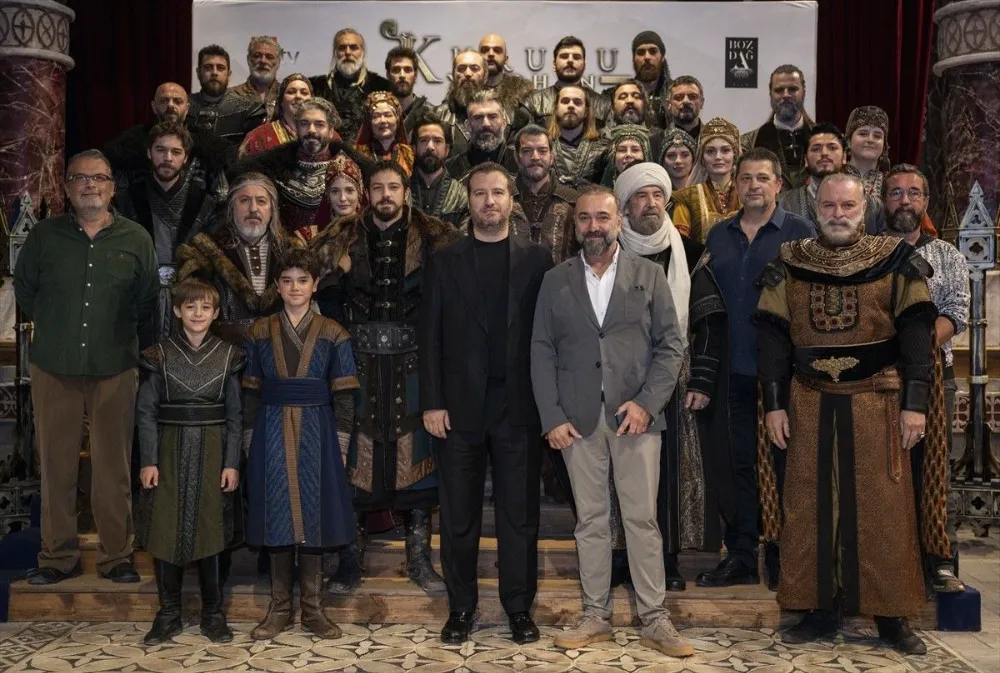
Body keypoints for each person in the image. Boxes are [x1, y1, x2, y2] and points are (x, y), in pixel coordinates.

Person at [755, 172, 950, 655]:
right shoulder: (788, 262)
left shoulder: (897, 260)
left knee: (884, 509)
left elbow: (917, 335)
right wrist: (774, 404)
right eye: (828, 206)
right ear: (814, 208)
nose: (837, 214)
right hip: (807, 400)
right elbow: (773, 337)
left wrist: (915, 406)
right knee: (810, 508)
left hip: (877, 400)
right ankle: (818, 611)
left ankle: (892, 618)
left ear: (865, 208)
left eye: (847, 206)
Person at [531, 184, 691, 657]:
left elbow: (671, 346)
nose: (594, 226)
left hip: (635, 419)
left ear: (618, 220)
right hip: (577, 422)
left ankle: (655, 618)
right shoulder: (555, 280)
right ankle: (595, 615)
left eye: (602, 217)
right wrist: (551, 416)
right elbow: (541, 350)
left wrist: (647, 404)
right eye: (584, 218)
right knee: (591, 521)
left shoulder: (649, 274)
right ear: (575, 224)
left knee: (642, 519)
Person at [309, 161, 462, 596]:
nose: (385, 195)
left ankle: (419, 560)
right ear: (367, 194)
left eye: (393, 187)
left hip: (415, 361)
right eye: (377, 188)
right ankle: (349, 561)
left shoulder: (435, 237)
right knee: (357, 456)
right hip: (357, 362)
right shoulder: (341, 238)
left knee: (417, 460)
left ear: (405, 191)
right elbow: (324, 300)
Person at [421, 162, 553, 645]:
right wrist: (432, 402)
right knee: (458, 516)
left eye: (498, 192)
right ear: (469, 201)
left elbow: (551, 335)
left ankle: (518, 608)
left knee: (520, 516)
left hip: (520, 407)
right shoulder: (444, 260)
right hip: (458, 410)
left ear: (511, 200)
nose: (489, 201)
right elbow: (429, 336)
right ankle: (461, 608)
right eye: (480, 193)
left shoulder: (538, 259)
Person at [15, 150, 158, 585]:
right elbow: (25, 291)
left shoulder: (136, 239)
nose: (89, 185)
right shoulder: (45, 237)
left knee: (113, 467)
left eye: (98, 178)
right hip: (54, 366)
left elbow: (146, 301)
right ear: (67, 188)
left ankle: (117, 557)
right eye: (79, 178)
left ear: (112, 187)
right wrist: (57, 328)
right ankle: (58, 557)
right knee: (55, 466)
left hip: (114, 366)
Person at [608, 163, 731, 592]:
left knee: (669, 470)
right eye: (640, 197)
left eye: (657, 195)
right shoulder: (607, 250)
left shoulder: (691, 253)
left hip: (674, 377)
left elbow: (710, 319)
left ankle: (666, 559)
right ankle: (620, 556)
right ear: (625, 207)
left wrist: (702, 380)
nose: (650, 204)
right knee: (616, 468)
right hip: (617, 375)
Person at [699, 147, 813, 590]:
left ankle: (786, 554)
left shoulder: (800, 233)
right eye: (745, 178)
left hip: (784, 374)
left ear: (778, 185)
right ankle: (742, 554)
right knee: (738, 466)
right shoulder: (718, 235)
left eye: (762, 178)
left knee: (787, 466)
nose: (753, 186)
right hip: (731, 371)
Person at [243, 248, 358, 640]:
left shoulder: (334, 332)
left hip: (319, 429)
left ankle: (313, 609)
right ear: (277, 286)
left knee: (314, 513)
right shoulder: (260, 331)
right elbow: (251, 393)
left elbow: (345, 396)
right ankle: (279, 608)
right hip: (271, 427)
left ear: (314, 285)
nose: (295, 288)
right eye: (287, 281)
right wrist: (249, 442)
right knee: (277, 511)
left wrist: (341, 445)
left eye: (303, 280)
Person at [136, 279, 244, 645]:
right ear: (177, 310)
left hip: (213, 447)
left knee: (211, 528)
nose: (198, 314)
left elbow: (235, 415)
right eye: (190, 307)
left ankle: (213, 613)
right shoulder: (159, 355)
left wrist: (232, 463)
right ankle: (169, 613)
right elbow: (146, 413)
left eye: (205, 308)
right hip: (169, 448)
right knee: (166, 527)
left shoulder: (229, 356)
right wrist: (148, 460)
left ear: (216, 314)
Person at [883, 164, 969, 594]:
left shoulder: (948, 256)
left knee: (934, 469)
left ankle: (938, 560)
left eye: (913, 193)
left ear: (926, 202)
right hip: (880, 377)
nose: (905, 200)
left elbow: (956, 313)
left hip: (935, 375)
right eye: (896, 193)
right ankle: (886, 558)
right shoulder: (870, 252)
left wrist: (914, 348)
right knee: (884, 469)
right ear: (883, 201)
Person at [114, 122, 220, 345]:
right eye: (160, 150)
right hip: (138, 299)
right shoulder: (126, 200)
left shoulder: (205, 203)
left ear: (186, 158)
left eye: (176, 152)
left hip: (190, 303)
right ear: (149, 153)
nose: (167, 158)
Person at [176, 172, 295, 345]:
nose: (253, 209)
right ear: (232, 208)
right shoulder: (207, 253)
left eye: (261, 201)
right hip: (224, 351)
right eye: (244, 200)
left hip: (280, 351)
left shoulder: (292, 253)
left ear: (272, 209)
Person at [230, 98, 370, 238]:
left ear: (331, 131)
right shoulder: (271, 169)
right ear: (296, 129)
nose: (311, 130)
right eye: (304, 124)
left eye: (319, 124)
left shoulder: (350, 170)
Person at [104, 82, 231, 202]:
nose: (170, 105)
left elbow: (220, 195)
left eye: (177, 101)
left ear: (187, 109)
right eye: (164, 101)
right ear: (154, 107)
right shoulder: (129, 146)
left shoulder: (209, 147)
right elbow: (119, 193)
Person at [779, 123, 885, 234]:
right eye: (816, 149)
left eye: (832, 148)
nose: (824, 153)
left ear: (844, 157)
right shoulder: (784, 204)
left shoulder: (873, 208)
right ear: (806, 160)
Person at [740, 65, 814, 190]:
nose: (786, 95)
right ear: (770, 94)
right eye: (779, 90)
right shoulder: (747, 144)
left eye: (792, 89)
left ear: (804, 93)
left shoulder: (827, 142)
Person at [512, 125, 579, 262]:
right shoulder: (502, 200)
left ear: (552, 157)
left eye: (542, 151)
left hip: (561, 276)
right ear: (516, 157)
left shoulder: (574, 201)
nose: (535, 157)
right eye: (527, 151)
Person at [311, 28, 391, 142]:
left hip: (368, 152)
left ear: (363, 52)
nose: (348, 52)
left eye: (354, 47)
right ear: (335, 53)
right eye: (342, 48)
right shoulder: (316, 87)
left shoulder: (381, 87)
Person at [516, 36, 611, 132]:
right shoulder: (533, 103)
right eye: (564, 56)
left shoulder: (603, 105)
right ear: (554, 65)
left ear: (584, 66)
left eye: (576, 57)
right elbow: (521, 139)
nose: (570, 60)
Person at [672, 117, 742, 243]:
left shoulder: (749, 193)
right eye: (710, 151)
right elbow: (680, 244)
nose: (718, 157)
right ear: (702, 159)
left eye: (725, 150)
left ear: (735, 155)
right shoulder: (687, 198)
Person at [189, 44, 266, 146]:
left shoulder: (249, 110)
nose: (214, 72)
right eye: (208, 67)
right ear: (198, 73)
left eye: (220, 68)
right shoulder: (184, 105)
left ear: (229, 75)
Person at [239, 73, 322, 158]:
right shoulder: (259, 136)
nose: (298, 96)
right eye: (291, 92)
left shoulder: (325, 135)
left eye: (304, 93)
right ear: (281, 101)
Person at [410, 113, 469, 228]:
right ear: (414, 148)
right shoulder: (401, 191)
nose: (430, 147)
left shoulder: (461, 196)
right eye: (424, 140)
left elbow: (464, 236)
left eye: (437, 141)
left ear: (447, 150)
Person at [445, 90, 518, 178]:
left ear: (504, 123)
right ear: (467, 126)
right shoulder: (450, 169)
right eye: (478, 118)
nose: (486, 124)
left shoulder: (522, 163)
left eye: (492, 117)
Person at [549, 85, 610, 187]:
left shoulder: (603, 148)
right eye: (565, 101)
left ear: (586, 112)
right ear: (556, 109)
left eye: (577, 102)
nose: (571, 105)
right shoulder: (542, 145)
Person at [432, 49, 489, 158]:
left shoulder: (503, 116)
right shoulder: (437, 116)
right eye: (461, 69)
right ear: (453, 75)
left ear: (485, 76)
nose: (468, 74)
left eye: (474, 68)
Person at [355, 91, 415, 175]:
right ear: (370, 123)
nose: (382, 121)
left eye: (388, 115)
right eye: (376, 116)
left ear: (397, 120)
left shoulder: (408, 155)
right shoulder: (359, 153)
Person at [479, 33, 534, 115]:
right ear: (477, 58)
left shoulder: (522, 91)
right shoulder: (468, 91)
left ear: (506, 59)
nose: (491, 54)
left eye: (497, 50)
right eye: (485, 50)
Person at [228, 36, 282, 119]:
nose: (263, 61)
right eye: (257, 56)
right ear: (248, 59)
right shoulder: (231, 95)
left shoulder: (286, 95)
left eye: (269, 57)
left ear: (278, 62)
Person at [627, 31, 672, 129]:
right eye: (640, 52)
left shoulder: (675, 94)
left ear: (662, 57)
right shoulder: (619, 95)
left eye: (653, 51)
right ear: (633, 59)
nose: (647, 57)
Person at [846, 105, 891, 199]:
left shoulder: (891, 183)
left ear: (884, 146)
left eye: (877, 136)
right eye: (863, 134)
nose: (870, 140)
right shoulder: (831, 178)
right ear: (849, 141)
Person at [386, 47, 431, 139]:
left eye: (407, 70)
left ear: (415, 75)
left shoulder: (429, 113)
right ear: (388, 75)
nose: (402, 75)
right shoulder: (378, 115)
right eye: (396, 70)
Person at [660, 128, 698, 196]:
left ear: (693, 159)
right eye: (671, 156)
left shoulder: (703, 193)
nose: (678, 161)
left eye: (685, 155)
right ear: (663, 162)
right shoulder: (658, 194)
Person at [666, 76, 705, 141]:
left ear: (701, 103)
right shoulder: (655, 141)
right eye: (678, 97)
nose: (686, 101)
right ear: (669, 104)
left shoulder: (714, 139)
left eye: (692, 97)